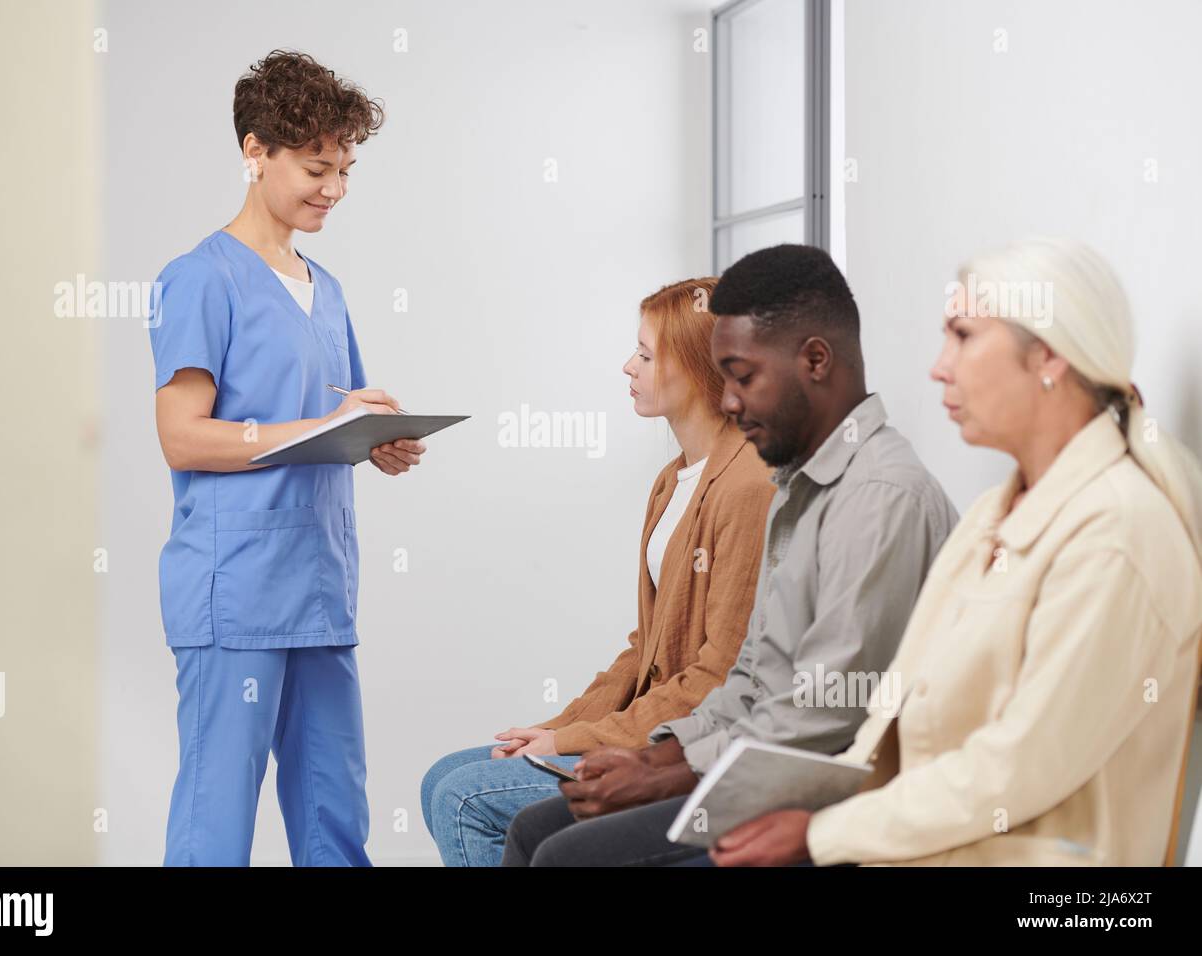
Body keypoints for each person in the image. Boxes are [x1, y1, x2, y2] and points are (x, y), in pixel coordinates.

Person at [712, 237, 1202, 867]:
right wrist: (811, 814)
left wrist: (821, 835)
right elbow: (893, 718)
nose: (939, 367)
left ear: (1049, 357)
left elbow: (1018, 766)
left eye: (963, 336)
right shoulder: (990, 517)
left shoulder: (1121, 532)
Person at [502, 244, 958, 866]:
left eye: (743, 378)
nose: (731, 402)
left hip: (831, 793)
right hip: (764, 767)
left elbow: (826, 711)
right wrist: (654, 753)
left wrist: (670, 773)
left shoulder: (877, 497)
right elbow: (752, 679)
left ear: (815, 362)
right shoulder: (801, 488)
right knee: (536, 831)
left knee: (568, 856)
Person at [149, 50, 426, 866]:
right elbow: (182, 435)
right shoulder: (200, 279)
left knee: (335, 811)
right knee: (217, 820)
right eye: (316, 167)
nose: (333, 189)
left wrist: (378, 442)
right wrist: (317, 431)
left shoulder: (325, 288)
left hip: (319, 585)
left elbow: (336, 416)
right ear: (254, 150)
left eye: (344, 170)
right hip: (233, 588)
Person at [420, 277, 776, 866]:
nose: (626, 367)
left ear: (699, 367)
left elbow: (717, 674)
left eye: (644, 354)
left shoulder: (747, 486)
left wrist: (572, 742)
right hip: (645, 727)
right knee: (443, 778)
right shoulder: (672, 481)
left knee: (465, 798)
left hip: (687, 748)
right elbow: (647, 647)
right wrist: (555, 728)